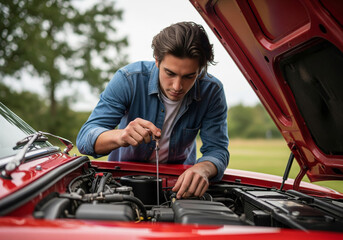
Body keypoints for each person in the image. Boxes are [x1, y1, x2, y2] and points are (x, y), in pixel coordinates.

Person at [76, 21, 229, 199]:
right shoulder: (129, 80)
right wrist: (121, 135)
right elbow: (85, 138)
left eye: (189, 76)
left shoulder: (212, 91)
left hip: (179, 187)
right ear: (156, 59)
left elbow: (218, 149)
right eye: (170, 73)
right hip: (123, 185)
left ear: (200, 69)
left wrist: (203, 168)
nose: (177, 86)